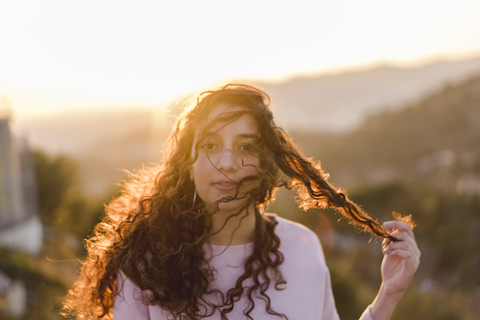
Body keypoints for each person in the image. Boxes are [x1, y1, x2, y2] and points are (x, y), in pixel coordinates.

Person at [61, 84, 420, 320]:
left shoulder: (303, 248)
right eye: (211, 146)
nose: (228, 163)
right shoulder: (146, 264)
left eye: (246, 147)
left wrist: (389, 295)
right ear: (189, 163)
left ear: (266, 162)